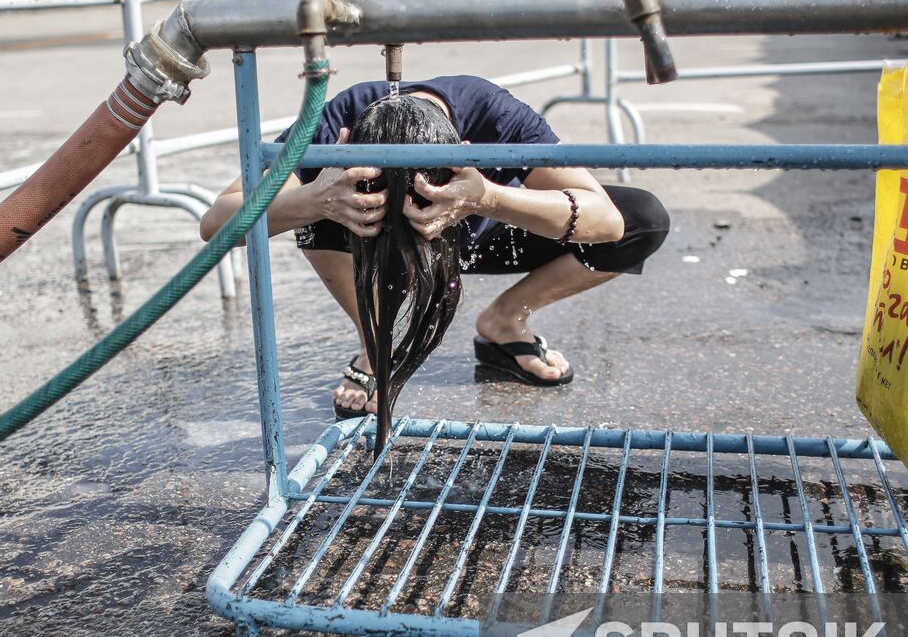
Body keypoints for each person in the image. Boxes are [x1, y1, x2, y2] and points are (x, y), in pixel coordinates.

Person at [199, 75, 670, 417]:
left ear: (463, 148)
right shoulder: (334, 124)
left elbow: (607, 220)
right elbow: (216, 224)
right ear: (344, 144)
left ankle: (506, 320)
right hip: (375, 248)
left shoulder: (494, 112)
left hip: (483, 236)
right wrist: (316, 196)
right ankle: (375, 342)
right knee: (312, 214)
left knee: (642, 221)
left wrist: (487, 196)